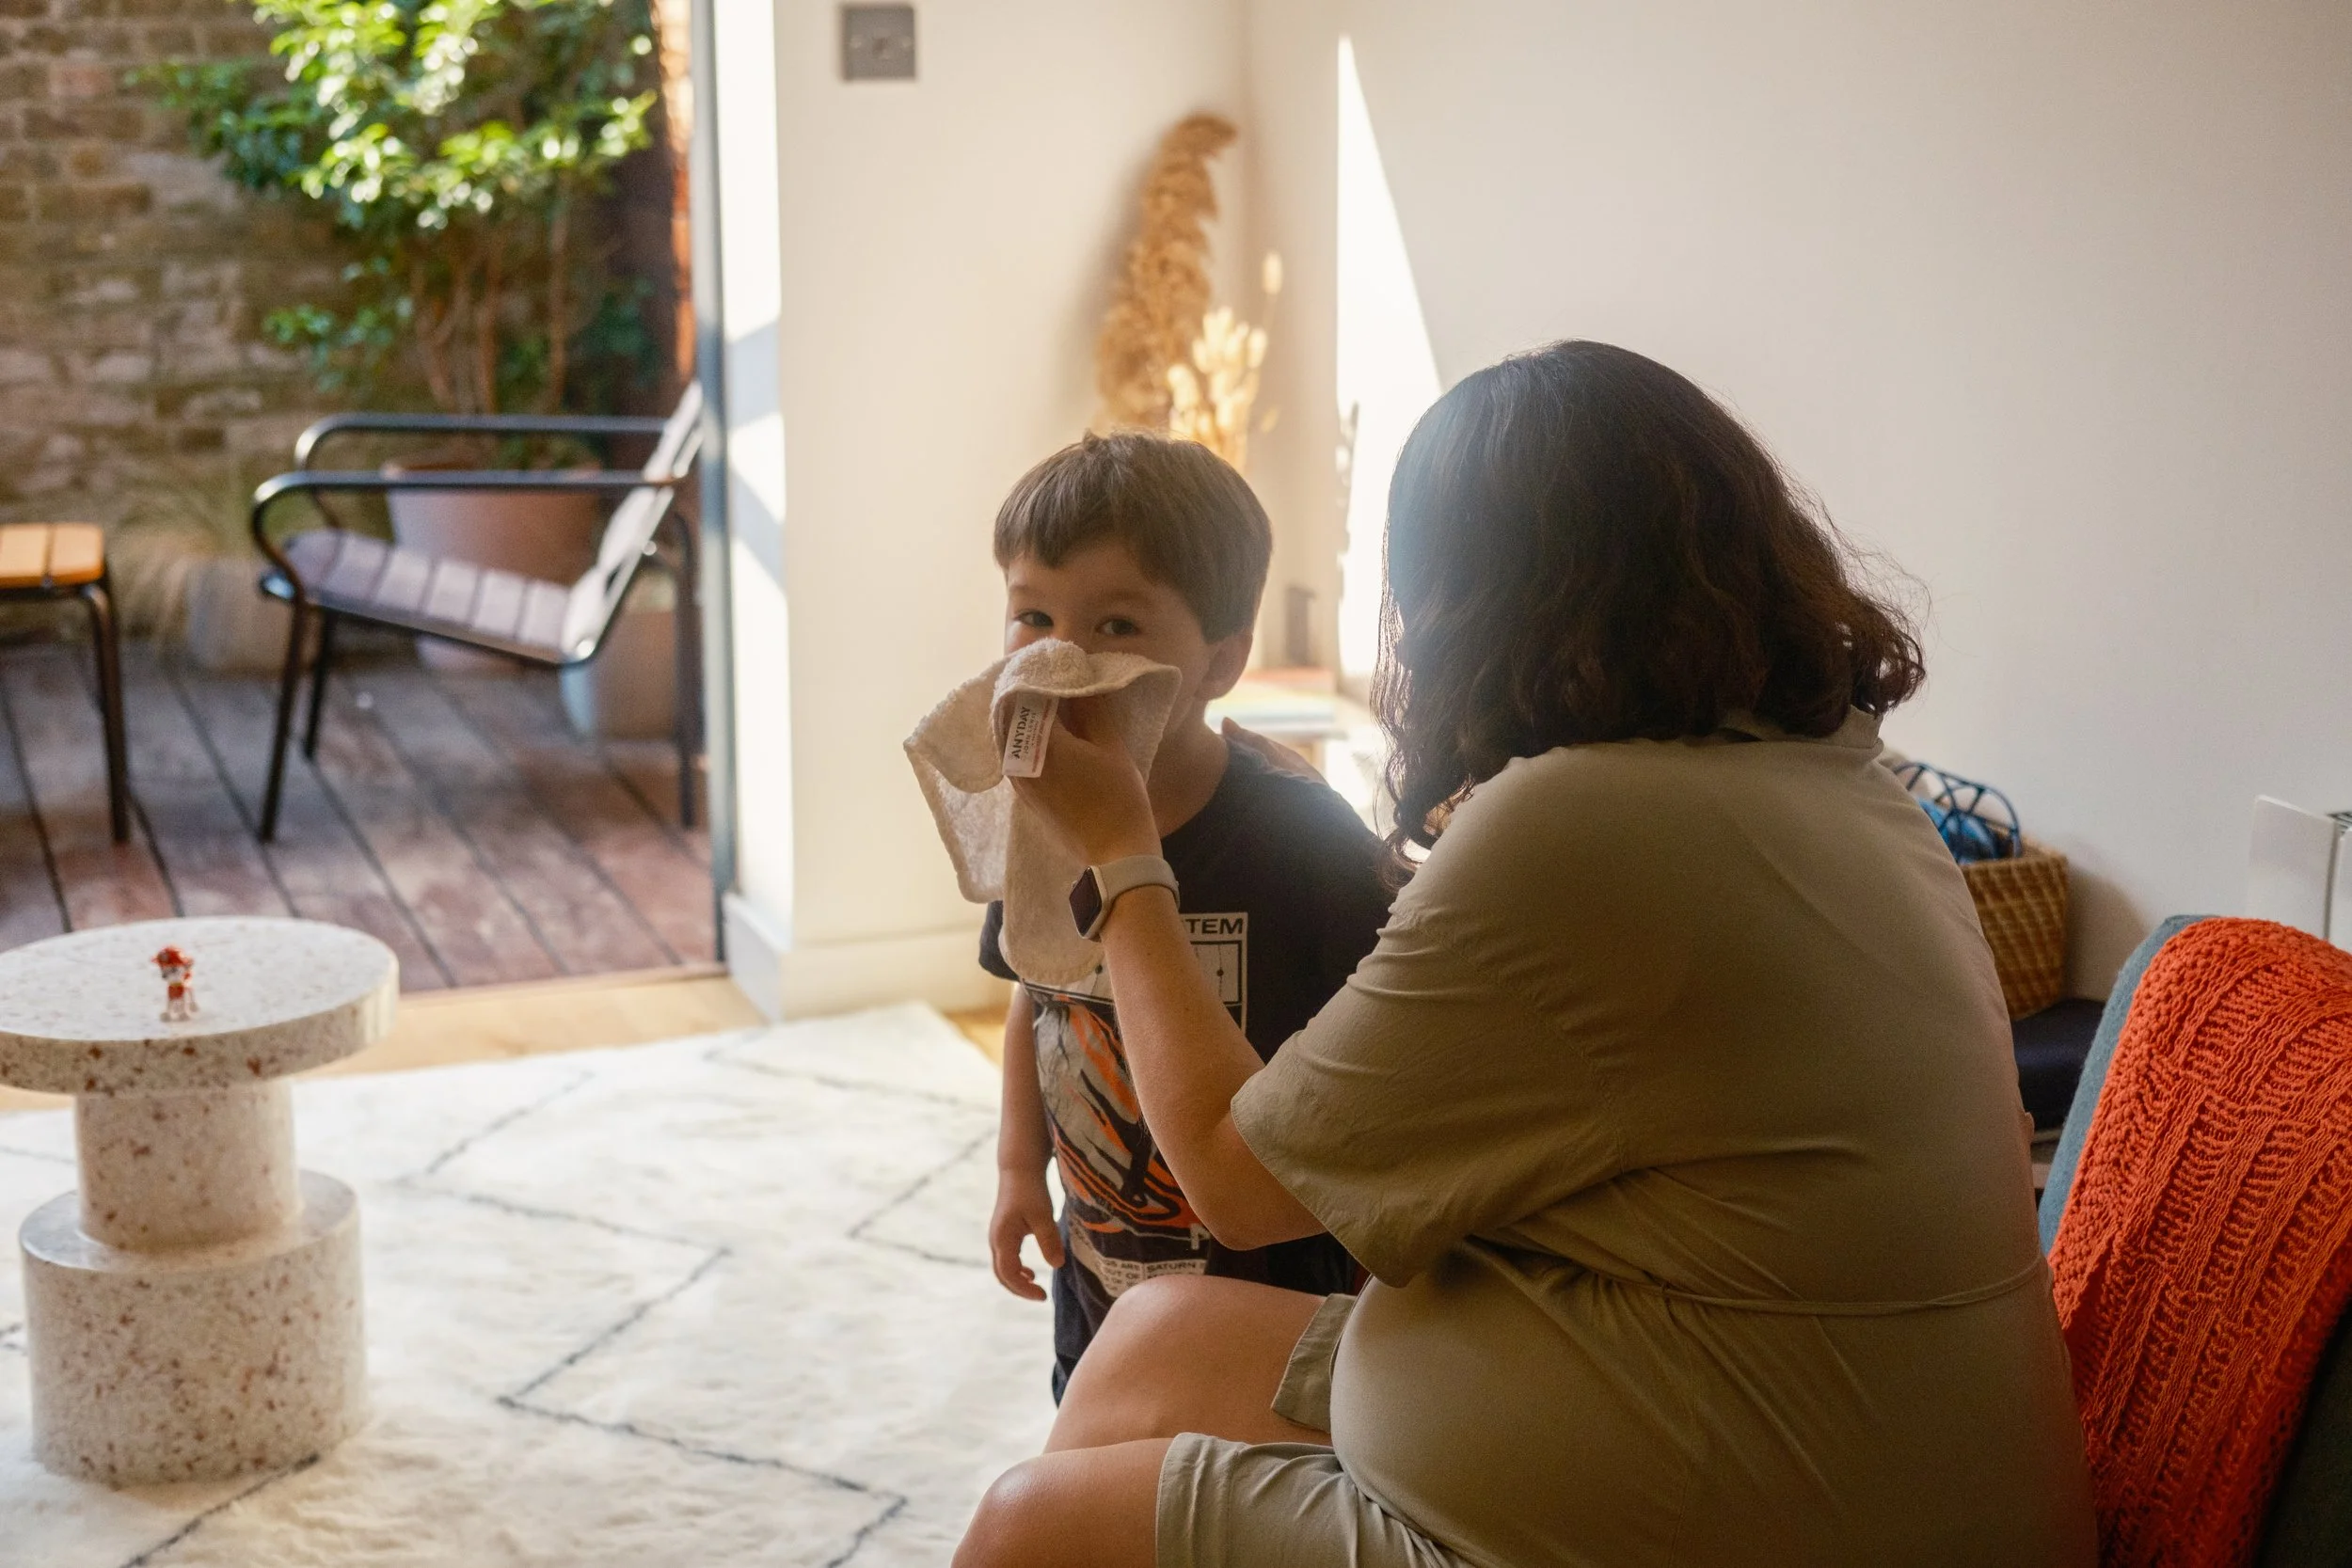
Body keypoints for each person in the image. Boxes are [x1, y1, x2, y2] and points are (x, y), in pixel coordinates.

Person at [957, 341, 2098, 1566]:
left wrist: (1121, 847)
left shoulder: (1579, 820)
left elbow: (1234, 1176)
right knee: (1158, 1329)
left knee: (1033, 1524)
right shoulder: (1842, 776)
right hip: (1810, 1444)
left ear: (1466, 603)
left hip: (1770, 1508)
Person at [979, 433, 1393, 1402]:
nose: (1064, 658)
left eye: (1116, 624)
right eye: (1032, 615)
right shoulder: (1040, 818)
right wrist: (1013, 1167)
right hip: (1101, 1282)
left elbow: (1382, 1079)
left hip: (1266, 1302)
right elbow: (1031, 992)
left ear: (1218, 662)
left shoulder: (1300, 842)